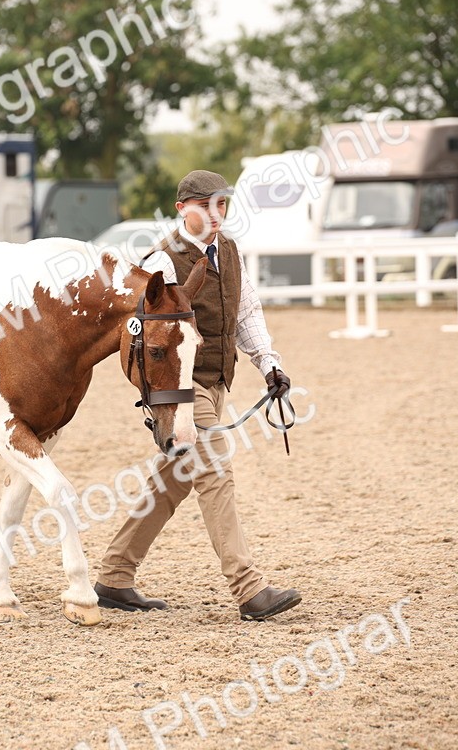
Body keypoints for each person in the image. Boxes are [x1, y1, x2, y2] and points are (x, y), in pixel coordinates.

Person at [95, 170, 302, 621]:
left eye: (221, 205)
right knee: (214, 472)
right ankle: (249, 589)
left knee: (173, 481)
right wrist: (162, 399)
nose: (215, 214)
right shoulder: (164, 264)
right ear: (181, 209)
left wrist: (268, 363)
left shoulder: (228, 250)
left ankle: (114, 576)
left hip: (217, 381)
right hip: (183, 389)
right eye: (205, 206)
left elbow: (247, 311)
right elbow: (146, 334)